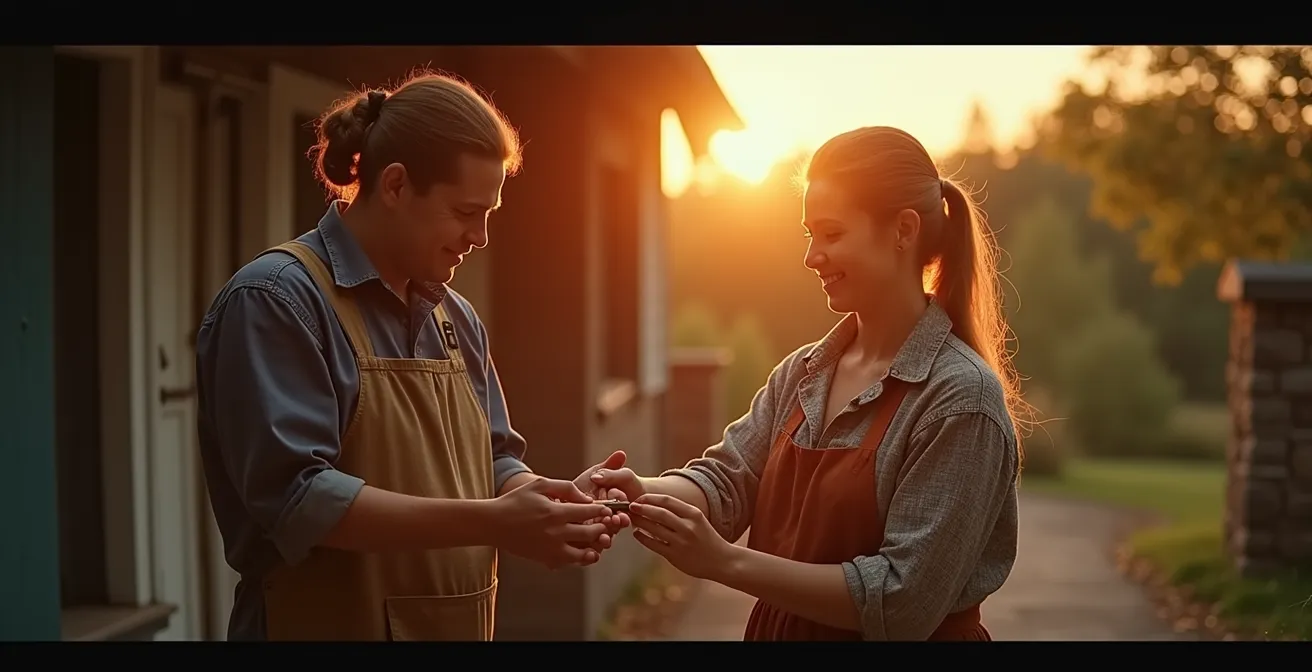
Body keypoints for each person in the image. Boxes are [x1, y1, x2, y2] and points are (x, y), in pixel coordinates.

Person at [195, 71, 628, 642]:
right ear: (396, 186)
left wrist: (546, 501)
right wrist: (500, 523)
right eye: (466, 212)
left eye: (490, 213)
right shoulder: (278, 301)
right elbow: (300, 500)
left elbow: (494, 461)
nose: (482, 237)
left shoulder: (457, 318)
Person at [592, 126, 1027, 641]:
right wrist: (638, 491)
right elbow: (728, 480)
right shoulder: (804, 373)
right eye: (809, 234)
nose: (811, 256)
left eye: (833, 233)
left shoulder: (960, 399)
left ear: (903, 231)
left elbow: (901, 601)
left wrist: (726, 563)